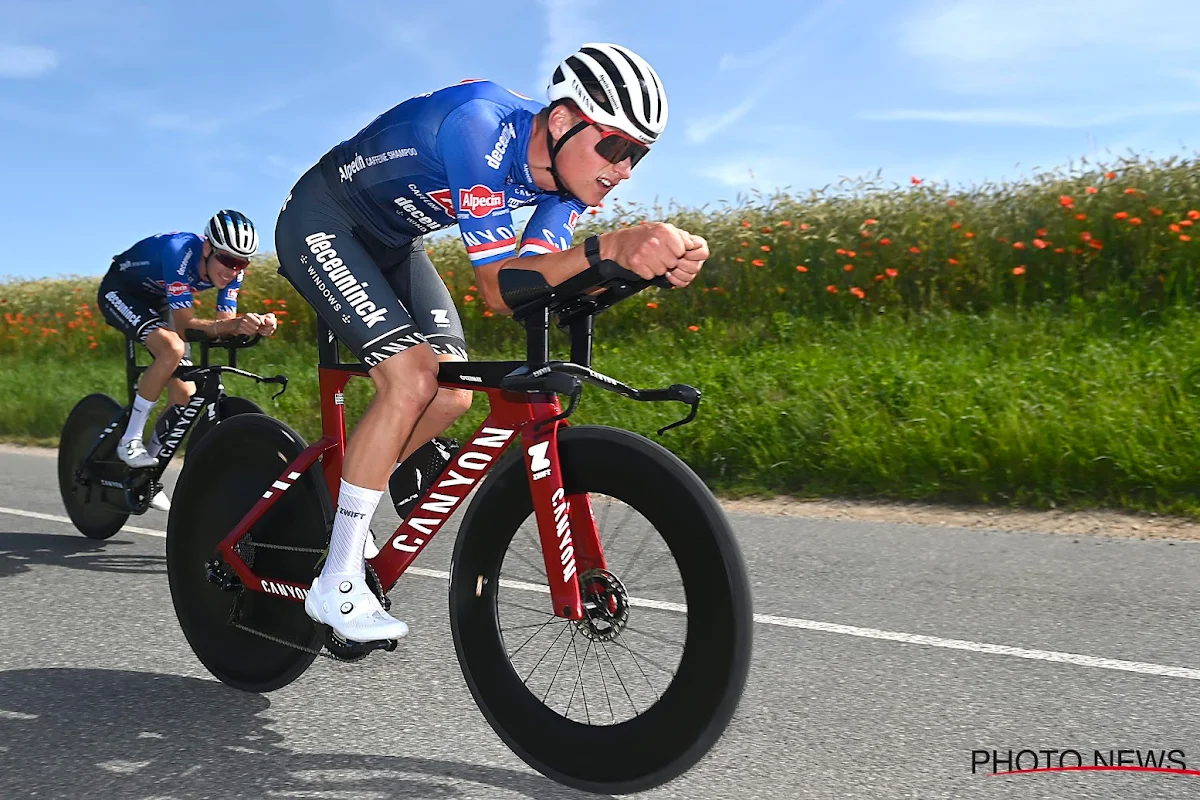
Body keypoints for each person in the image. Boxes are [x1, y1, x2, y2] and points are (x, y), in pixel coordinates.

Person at [275, 43, 709, 644]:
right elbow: (497, 291)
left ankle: (341, 498)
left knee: (451, 392)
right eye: (614, 146)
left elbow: (534, 277)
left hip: (395, 243)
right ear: (562, 121)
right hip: (323, 220)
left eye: (638, 154)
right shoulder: (480, 129)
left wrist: (636, 266)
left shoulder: (565, 184)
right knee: (410, 379)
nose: (625, 169)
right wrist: (609, 248)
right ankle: (338, 577)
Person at [97, 210, 278, 511]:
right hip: (121, 292)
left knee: (184, 392)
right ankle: (129, 439)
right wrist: (230, 325)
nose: (233, 270)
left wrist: (255, 325)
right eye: (227, 259)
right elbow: (184, 327)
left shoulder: (233, 272)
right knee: (171, 347)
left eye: (241, 263)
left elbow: (223, 325)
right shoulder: (178, 252)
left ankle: (145, 473)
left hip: (159, 300)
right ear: (207, 248)